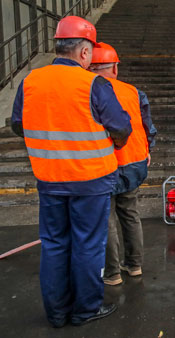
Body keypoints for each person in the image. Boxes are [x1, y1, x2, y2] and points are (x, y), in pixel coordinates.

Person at [11, 16, 132, 327]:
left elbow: (17, 125)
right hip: (91, 181)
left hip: (49, 180)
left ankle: (57, 313)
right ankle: (85, 309)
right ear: (83, 53)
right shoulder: (94, 84)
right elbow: (121, 128)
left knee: (54, 245)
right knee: (88, 245)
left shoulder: (30, 82)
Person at [88, 42, 157, 286]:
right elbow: (147, 126)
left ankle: (112, 273)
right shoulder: (134, 92)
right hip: (133, 162)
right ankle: (135, 265)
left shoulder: (87, 92)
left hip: (102, 166)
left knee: (105, 220)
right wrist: (147, 150)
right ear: (114, 68)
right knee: (130, 214)